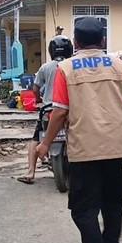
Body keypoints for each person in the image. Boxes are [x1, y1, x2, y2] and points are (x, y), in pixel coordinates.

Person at [37, 17, 122, 243]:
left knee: (84, 210)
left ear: (75, 42)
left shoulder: (65, 69)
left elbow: (60, 112)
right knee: (112, 203)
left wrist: (44, 144)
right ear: (102, 41)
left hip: (84, 150)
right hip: (115, 147)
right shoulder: (119, 66)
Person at [16, 36, 74, 184]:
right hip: (71, 109)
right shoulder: (73, 65)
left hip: (49, 109)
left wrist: (38, 100)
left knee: (36, 137)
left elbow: (35, 89)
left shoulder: (45, 67)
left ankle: (30, 172)